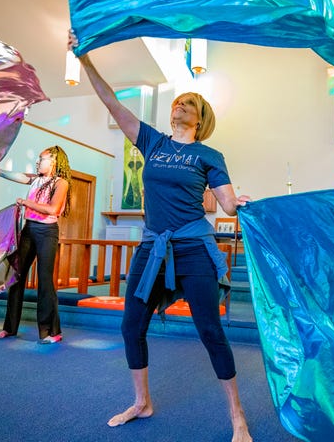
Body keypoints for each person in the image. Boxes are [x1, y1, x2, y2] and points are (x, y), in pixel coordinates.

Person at [70, 31, 253, 442]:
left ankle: (237, 415)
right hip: (153, 248)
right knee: (130, 325)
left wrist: (237, 200)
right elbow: (112, 103)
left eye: (188, 103)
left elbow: (225, 204)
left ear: (200, 117)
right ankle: (141, 401)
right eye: (176, 103)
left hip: (194, 250)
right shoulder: (152, 141)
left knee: (211, 331)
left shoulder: (209, 155)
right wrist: (85, 61)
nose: (179, 106)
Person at [0, 145, 73, 344]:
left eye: (42, 159)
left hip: (46, 232)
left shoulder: (61, 183)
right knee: (16, 278)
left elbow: (53, 208)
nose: (38, 162)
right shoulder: (35, 179)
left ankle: (51, 332)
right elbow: (8, 174)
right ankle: (9, 329)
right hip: (28, 230)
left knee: (45, 281)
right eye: (38, 158)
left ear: (54, 161)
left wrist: (27, 203)